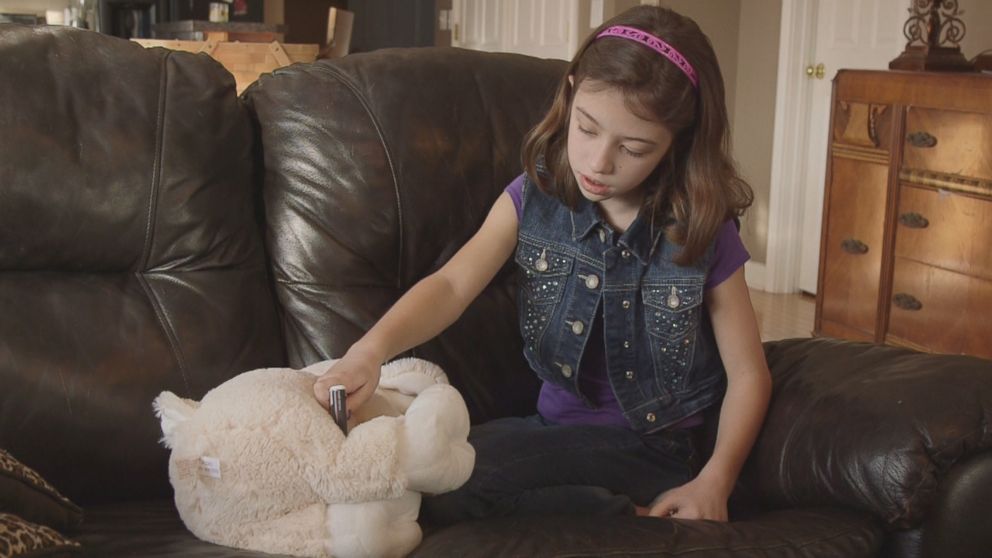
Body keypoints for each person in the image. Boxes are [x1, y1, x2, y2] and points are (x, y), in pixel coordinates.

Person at [313, 5, 771, 525]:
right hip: (548, 430)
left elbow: (748, 373)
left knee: (448, 487)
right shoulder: (535, 196)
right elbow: (451, 285)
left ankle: (633, 516)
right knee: (411, 462)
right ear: (571, 92)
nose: (599, 163)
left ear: (676, 144)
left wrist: (716, 481)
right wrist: (368, 351)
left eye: (634, 148)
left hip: (650, 448)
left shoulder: (701, 230)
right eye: (587, 128)